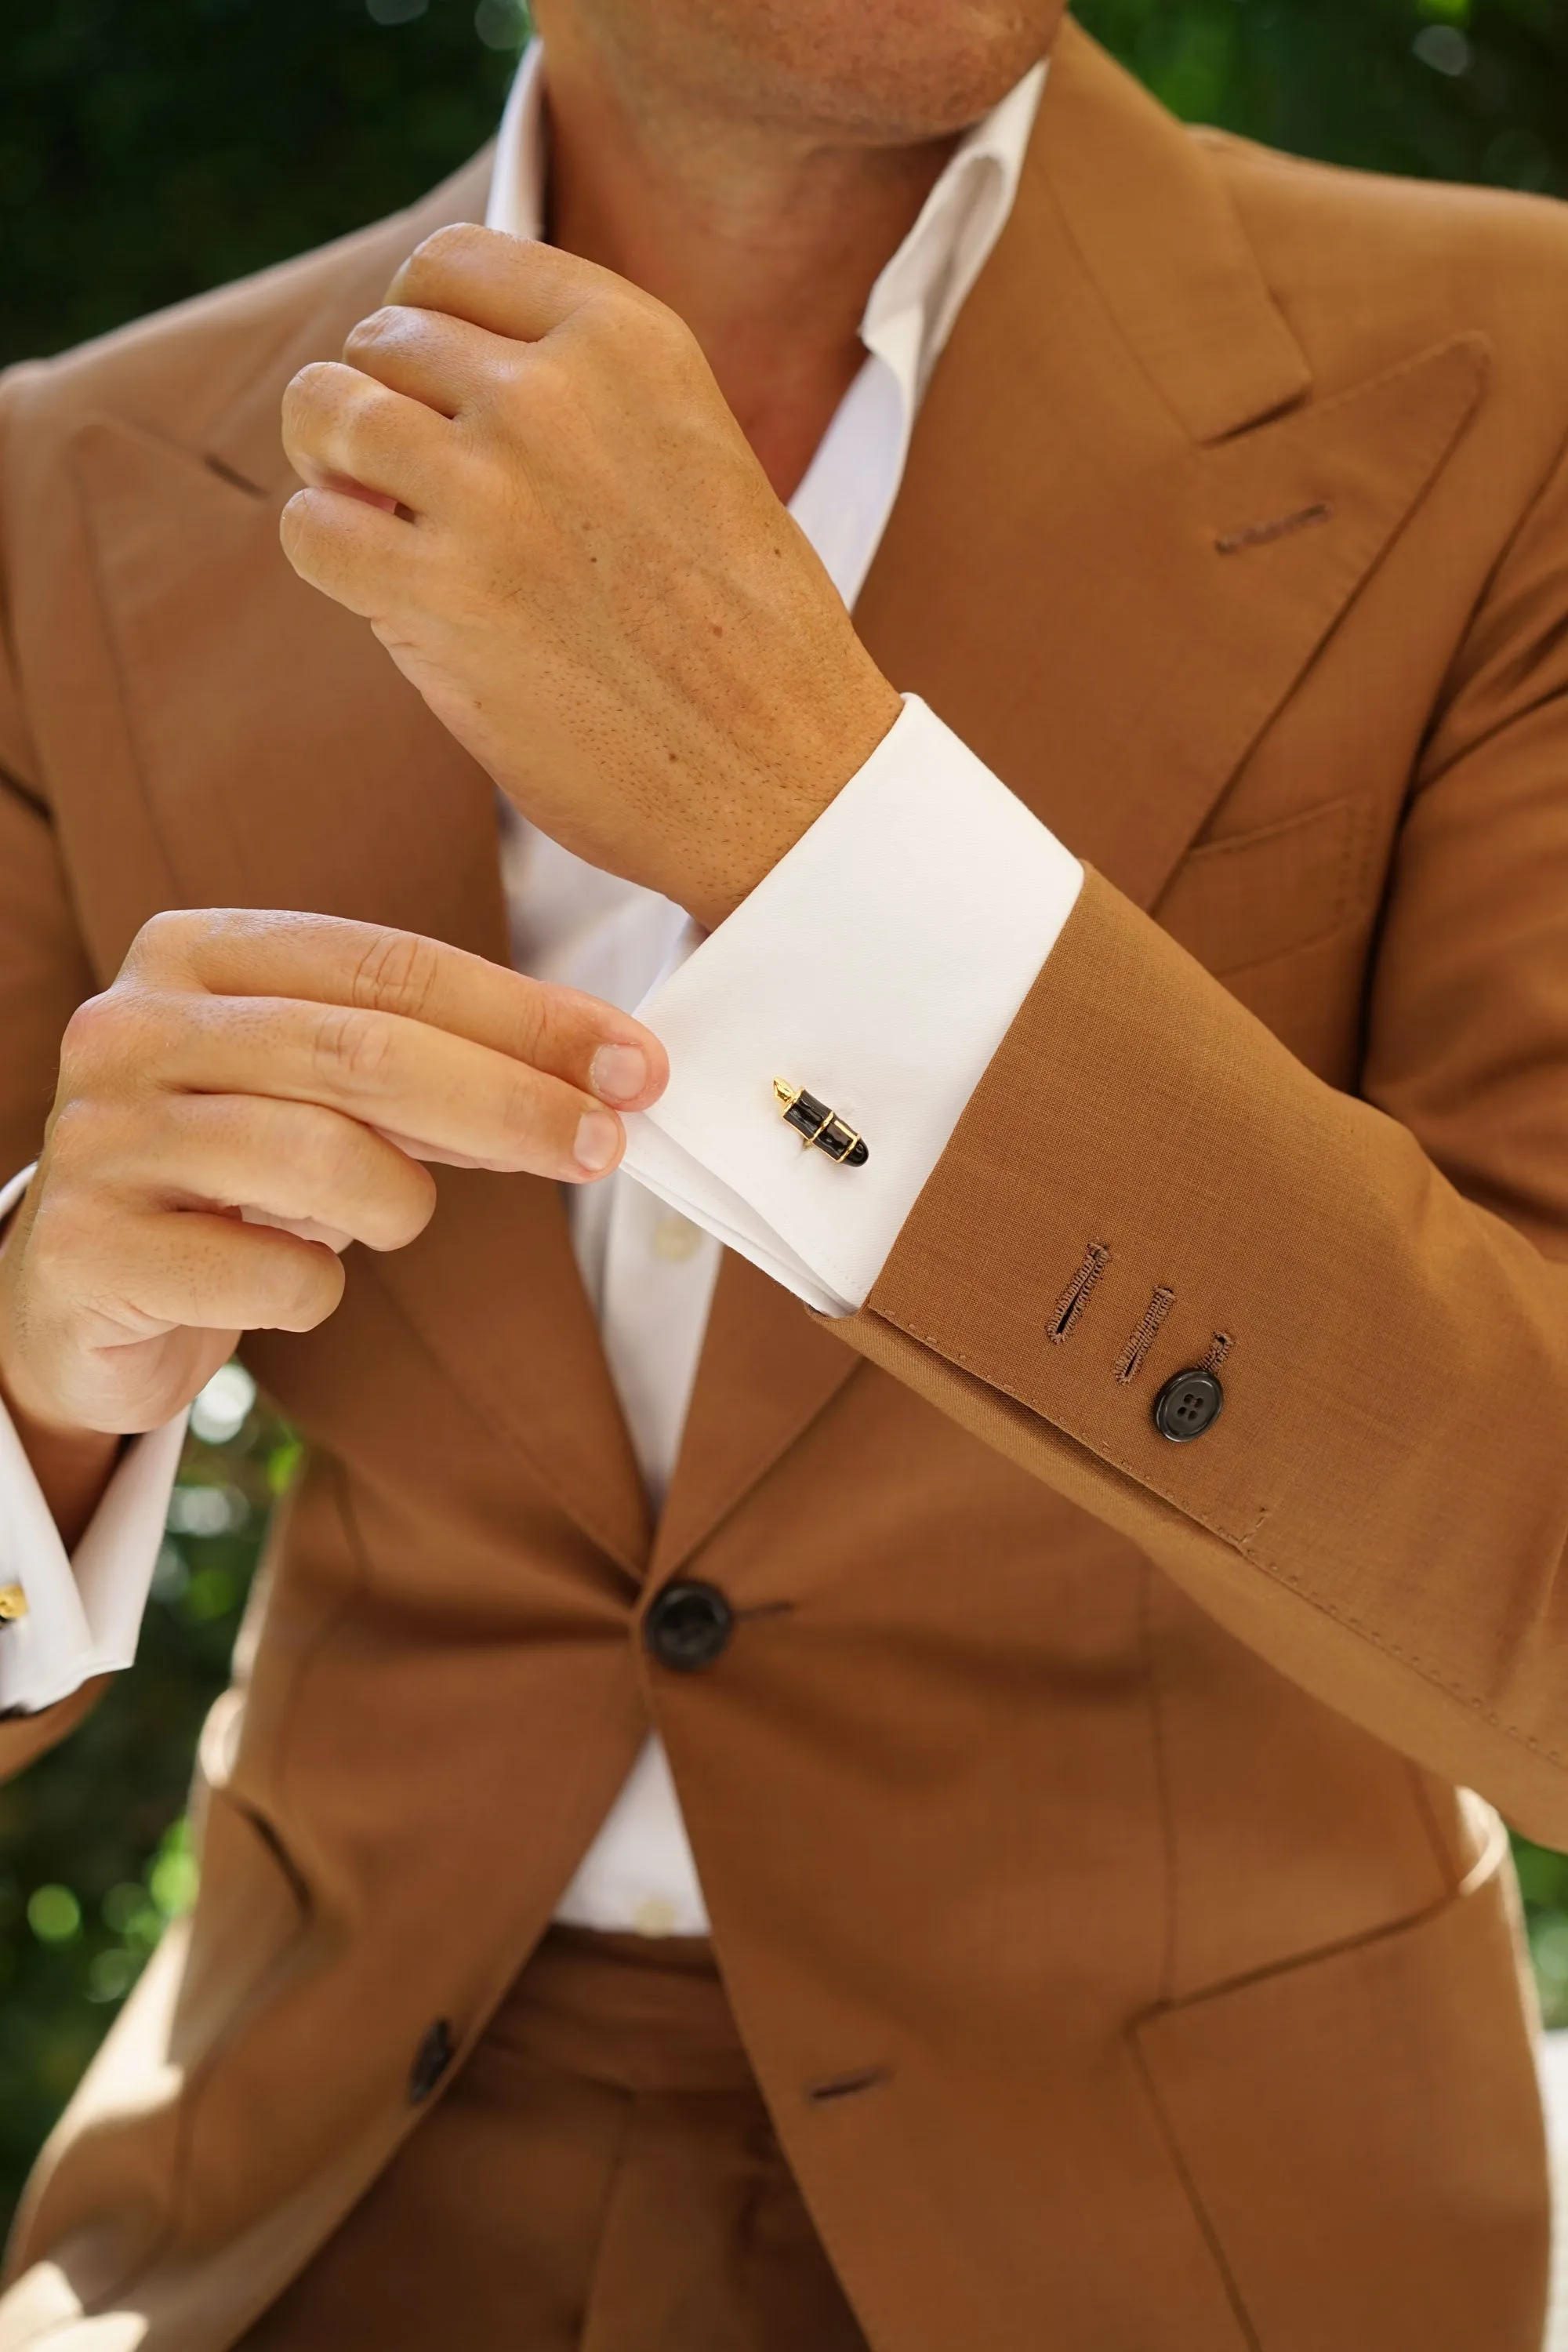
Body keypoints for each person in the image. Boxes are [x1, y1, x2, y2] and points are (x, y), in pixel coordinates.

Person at [1, 0, 1566, 2343]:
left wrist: (820, 837)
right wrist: (38, 1384)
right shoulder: (75, 485)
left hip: (1206, 2246)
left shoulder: (1513, 378)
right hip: (304, 2219)